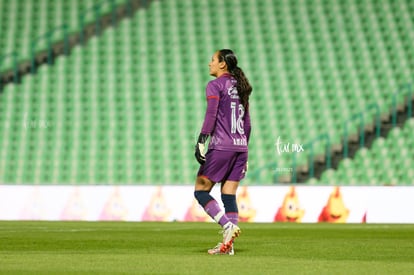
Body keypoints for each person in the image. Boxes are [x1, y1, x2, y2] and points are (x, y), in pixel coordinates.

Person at [194, 49, 252, 255]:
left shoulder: (215, 85)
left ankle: (228, 226)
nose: (209, 64)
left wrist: (202, 139)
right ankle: (228, 247)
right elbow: (247, 123)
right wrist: (244, 150)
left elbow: (211, 114)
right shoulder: (241, 87)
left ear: (222, 65)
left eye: (212, 60)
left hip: (221, 146)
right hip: (240, 147)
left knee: (201, 191)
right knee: (228, 194)